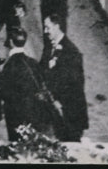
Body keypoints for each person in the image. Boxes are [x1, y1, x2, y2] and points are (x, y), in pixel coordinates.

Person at [0, 27, 58, 141]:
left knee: (17, 143)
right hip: (33, 111)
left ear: (11, 42)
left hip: (15, 114)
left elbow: (4, 91)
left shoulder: (9, 65)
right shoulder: (33, 62)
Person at [40, 13, 88, 142]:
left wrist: (59, 102)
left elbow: (75, 84)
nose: (45, 31)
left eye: (48, 27)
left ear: (57, 26)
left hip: (70, 112)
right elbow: (42, 69)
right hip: (57, 109)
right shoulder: (49, 47)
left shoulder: (71, 52)